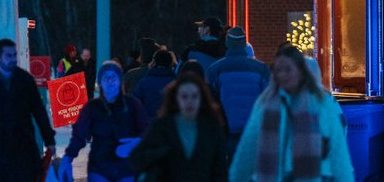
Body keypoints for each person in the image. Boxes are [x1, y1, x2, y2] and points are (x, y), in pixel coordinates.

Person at [227, 45, 353, 182]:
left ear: (300, 71)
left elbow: (337, 149)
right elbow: (249, 146)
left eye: (287, 69)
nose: (282, 74)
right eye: (278, 70)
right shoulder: (265, 103)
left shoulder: (321, 104)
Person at [0, 37, 56, 182]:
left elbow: (39, 111)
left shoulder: (25, 80)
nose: (13, 59)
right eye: (8, 55)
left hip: (24, 146)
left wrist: (49, 139)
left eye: (15, 54)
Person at [59, 59, 148, 182]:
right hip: (99, 168)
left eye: (114, 77)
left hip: (126, 167)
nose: (110, 81)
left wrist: (135, 143)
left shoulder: (132, 104)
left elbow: (146, 130)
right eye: (106, 78)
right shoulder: (92, 107)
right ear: (100, 82)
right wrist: (68, 157)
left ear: (120, 80)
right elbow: (79, 135)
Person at [129, 73, 228, 182]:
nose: (189, 102)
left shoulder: (211, 127)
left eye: (194, 96)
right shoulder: (163, 126)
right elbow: (137, 157)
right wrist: (162, 155)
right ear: (176, 98)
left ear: (201, 99)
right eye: (184, 96)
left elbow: (220, 168)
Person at [206, 27, 270, 160]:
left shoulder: (215, 69)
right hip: (253, 129)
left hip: (226, 130)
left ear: (227, 44)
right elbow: (268, 99)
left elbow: (209, 100)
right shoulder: (261, 69)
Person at [133, 48, 177, 117]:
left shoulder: (144, 82)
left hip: (148, 124)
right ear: (170, 63)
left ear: (154, 62)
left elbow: (135, 103)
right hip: (169, 124)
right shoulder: (176, 83)